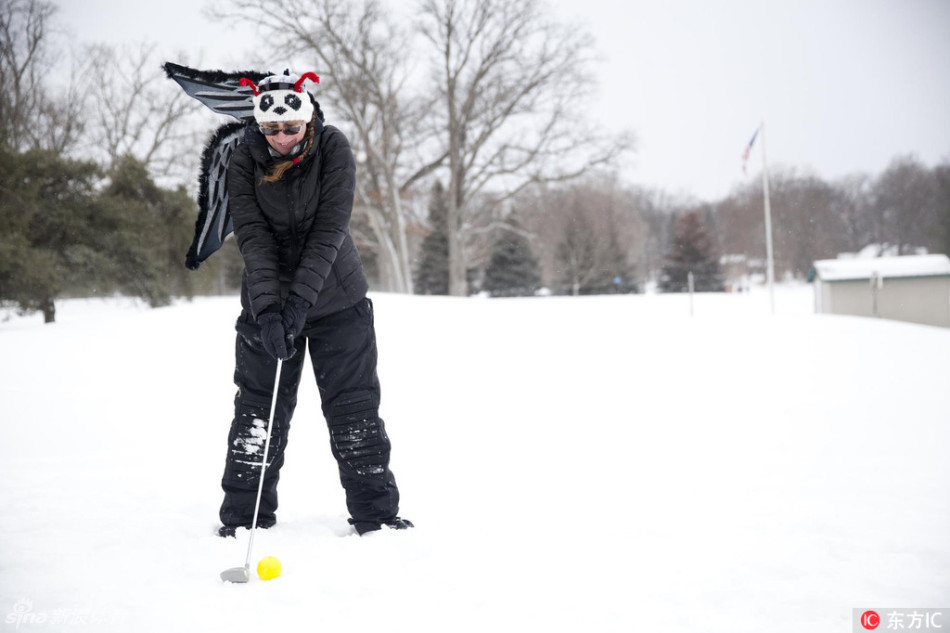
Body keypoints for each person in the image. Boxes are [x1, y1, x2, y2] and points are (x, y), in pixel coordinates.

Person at [216, 69, 411, 538]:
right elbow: (253, 238)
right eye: (271, 129)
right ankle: (244, 519)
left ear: (307, 119)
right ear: (259, 125)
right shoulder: (243, 159)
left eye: (291, 127)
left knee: (353, 409)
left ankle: (376, 517)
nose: (282, 137)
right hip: (266, 303)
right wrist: (269, 312)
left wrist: (299, 304)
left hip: (337, 301)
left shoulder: (333, 148)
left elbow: (329, 231)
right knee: (258, 411)